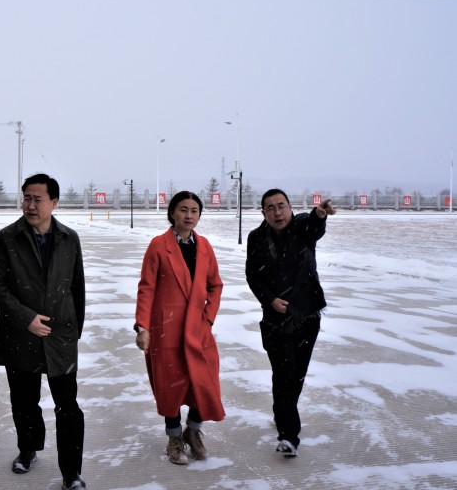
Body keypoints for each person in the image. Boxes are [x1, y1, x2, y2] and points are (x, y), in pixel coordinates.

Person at [0, 173, 87, 490]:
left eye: (37, 199)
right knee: (24, 401)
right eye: (26, 198)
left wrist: (73, 331)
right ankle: (28, 449)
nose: (30, 205)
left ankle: (71, 472)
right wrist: (26, 317)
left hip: (60, 334)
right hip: (20, 333)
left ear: (53, 202)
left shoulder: (69, 238)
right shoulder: (7, 238)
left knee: (68, 407)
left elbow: (77, 287)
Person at [134, 191, 225, 465]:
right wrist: (142, 326)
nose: (189, 215)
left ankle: (193, 431)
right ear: (172, 212)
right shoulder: (158, 245)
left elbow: (215, 285)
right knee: (170, 386)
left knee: (204, 383)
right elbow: (147, 288)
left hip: (198, 329)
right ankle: (174, 439)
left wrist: (208, 317)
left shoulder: (204, 246)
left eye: (194, 210)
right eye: (183, 209)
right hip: (166, 329)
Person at [245, 188, 336, 458]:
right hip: (276, 320)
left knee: (296, 376)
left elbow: (315, 225)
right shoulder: (256, 237)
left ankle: (282, 412)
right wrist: (270, 299)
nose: (277, 212)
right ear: (263, 212)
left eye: (281, 206)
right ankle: (288, 435)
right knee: (284, 374)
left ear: (290, 207)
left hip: (307, 316)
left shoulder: (302, 227)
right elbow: (253, 276)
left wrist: (320, 214)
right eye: (271, 208)